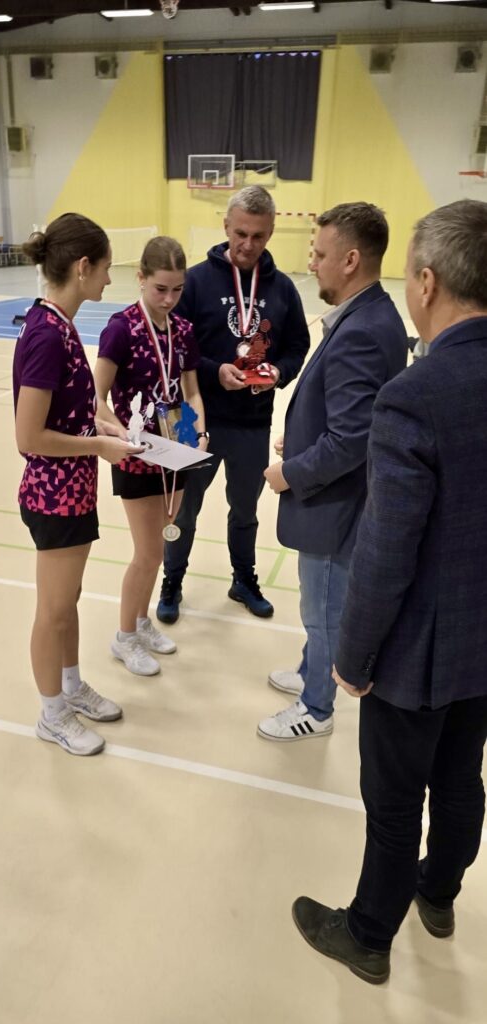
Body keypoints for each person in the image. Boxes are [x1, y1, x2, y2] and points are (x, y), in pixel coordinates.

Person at [293, 198, 487, 983]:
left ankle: (370, 933)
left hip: (417, 650)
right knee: (463, 777)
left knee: (396, 798)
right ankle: (438, 894)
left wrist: (353, 654)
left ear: (427, 282)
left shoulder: (417, 393)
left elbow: (386, 549)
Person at [259, 202, 408, 742]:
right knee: (323, 607)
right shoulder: (372, 314)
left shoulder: (360, 331)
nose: (311, 263)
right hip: (343, 500)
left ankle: (316, 707)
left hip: (334, 507)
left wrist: (290, 471)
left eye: (319, 254)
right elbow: (351, 419)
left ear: (350, 260)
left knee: (322, 611)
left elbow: (351, 439)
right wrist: (301, 437)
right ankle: (311, 671)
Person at [13, 213, 139, 756]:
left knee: (70, 600)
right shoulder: (46, 334)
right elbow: (29, 435)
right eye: (106, 268)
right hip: (53, 495)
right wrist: (97, 446)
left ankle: (70, 686)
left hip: (74, 490)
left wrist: (103, 424)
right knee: (54, 610)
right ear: (83, 267)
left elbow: (69, 407)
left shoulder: (60, 325)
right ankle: (52, 713)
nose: (110, 279)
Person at [156, 185, 310, 624]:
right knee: (182, 510)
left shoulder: (282, 289)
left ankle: (243, 579)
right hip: (194, 419)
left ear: (270, 232)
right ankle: (172, 581)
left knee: (245, 511)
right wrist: (214, 370)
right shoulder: (195, 282)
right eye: (241, 233)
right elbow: (173, 347)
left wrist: (279, 372)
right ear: (225, 227)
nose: (248, 244)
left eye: (258, 236)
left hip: (252, 422)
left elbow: (297, 345)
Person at [95, 236, 207, 676]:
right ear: (140, 278)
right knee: (146, 554)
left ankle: (141, 623)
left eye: (177, 290)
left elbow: (191, 391)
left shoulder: (183, 330)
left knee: (159, 551)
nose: (169, 299)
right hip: (136, 456)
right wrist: (123, 434)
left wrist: (198, 432)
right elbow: (95, 397)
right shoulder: (121, 328)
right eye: (161, 288)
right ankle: (124, 636)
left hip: (174, 452)